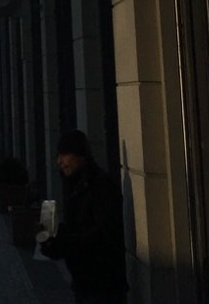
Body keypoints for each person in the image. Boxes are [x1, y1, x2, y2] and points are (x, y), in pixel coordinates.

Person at [38, 129, 128, 304]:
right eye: (58, 156)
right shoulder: (77, 184)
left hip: (102, 283)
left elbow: (103, 234)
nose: (60, 162)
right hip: (87, 281)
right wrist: (52, 237)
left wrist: (63, 242)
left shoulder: (99, 185)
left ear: (80, 155)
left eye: (64, 155)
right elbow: (79, 228)